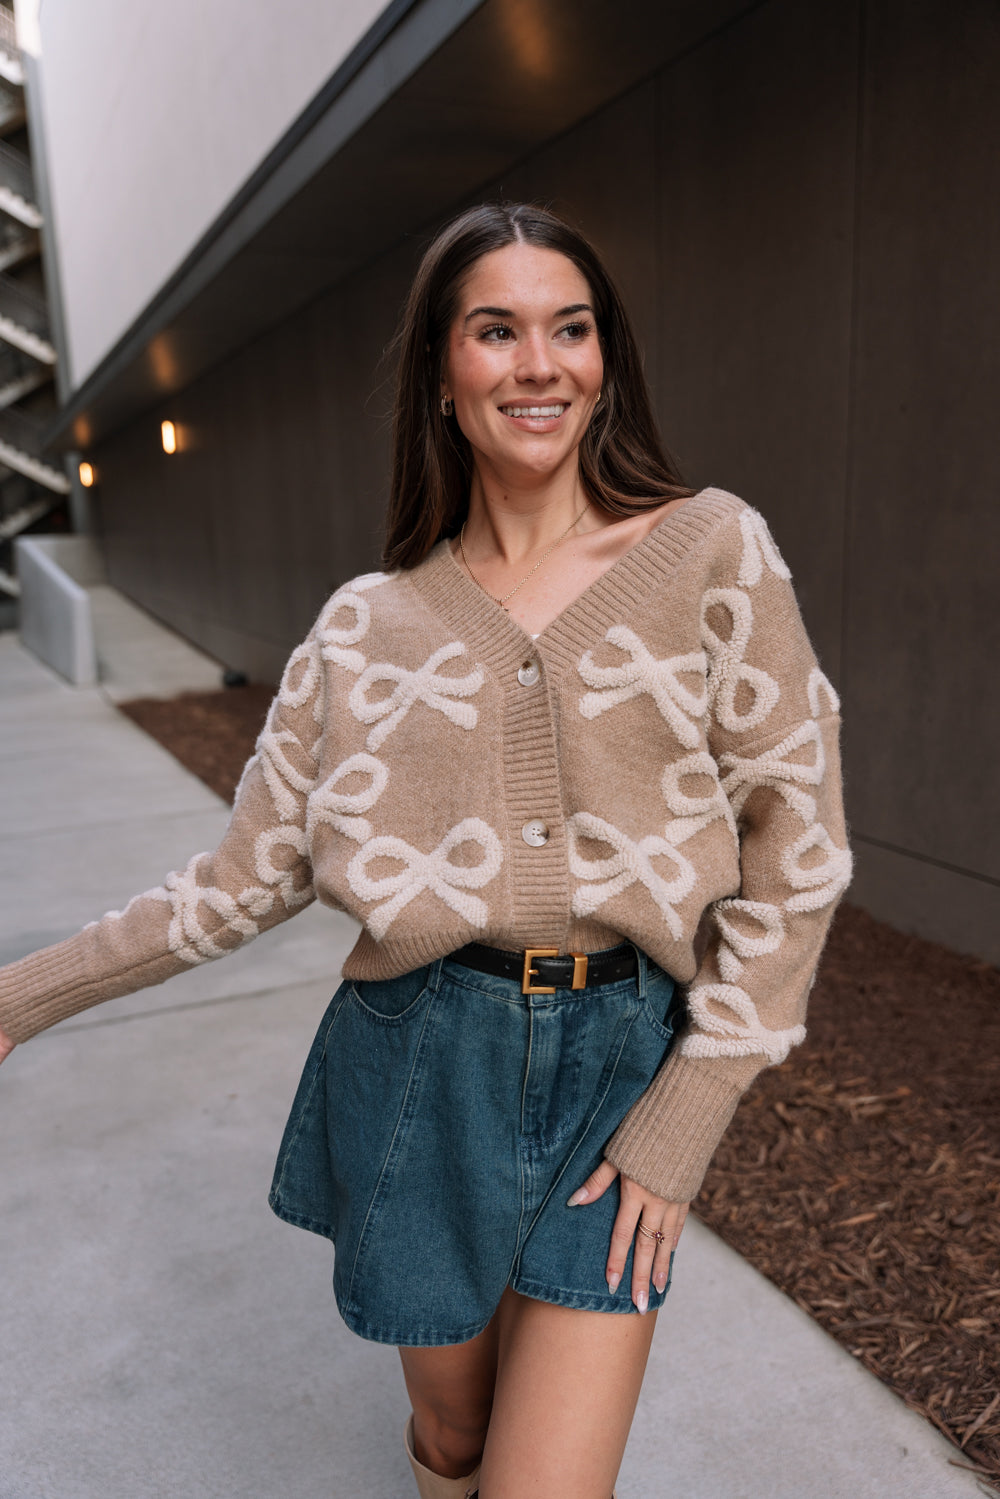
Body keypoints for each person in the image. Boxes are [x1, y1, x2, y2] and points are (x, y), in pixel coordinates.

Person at [0, 202, 851, 1498]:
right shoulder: (364, 628)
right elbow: (242, 883)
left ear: (605, 363)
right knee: (454, 1443)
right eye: (495, 331)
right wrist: (22, 998)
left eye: (570, 330)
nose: (538, 363)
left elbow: (799, 846)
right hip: (416, 1068)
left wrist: (689, 1107)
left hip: (624, 1062)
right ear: (443, 379)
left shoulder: (707, 550)